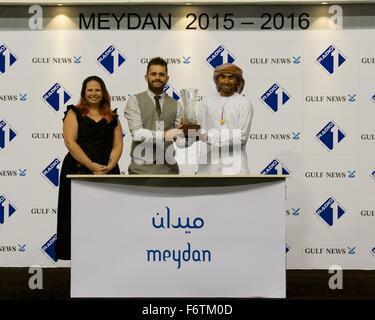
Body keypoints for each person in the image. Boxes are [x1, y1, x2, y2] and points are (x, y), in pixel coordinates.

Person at [55, 76, 123, 260]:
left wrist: (110, 165)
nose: (94, 93)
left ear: (104, 93)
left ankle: (105, 260)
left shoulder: (112, 116)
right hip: (78, 169)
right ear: (84, 93)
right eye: (90, 90)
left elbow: (118, 145)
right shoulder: (73, 112)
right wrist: (91, 165)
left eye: (98, 90)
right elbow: (70, 142)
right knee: (77, 218)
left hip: (107, 171)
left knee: (105, 218)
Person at [125, 57, 184, 174]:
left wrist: (191, 136)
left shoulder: (176, 104)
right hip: (140, 171)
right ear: (146, 77)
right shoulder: (135, 100)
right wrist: (166, 134)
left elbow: (180, 142)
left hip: (169, 171)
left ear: (167, 78)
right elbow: (137, 134)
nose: (157, 77)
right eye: (153, 74)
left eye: (161, 74)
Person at [195, 63, 254, 175]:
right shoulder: (206, 102)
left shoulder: (244, 103)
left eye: (231, 77)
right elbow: (198, 128)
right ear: (217, 80)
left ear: (238, 81)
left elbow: (241, 137)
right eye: (223, 77)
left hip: (235, 166)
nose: (226, 81)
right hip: (208, 166)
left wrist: (209, 137)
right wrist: (186, 130)